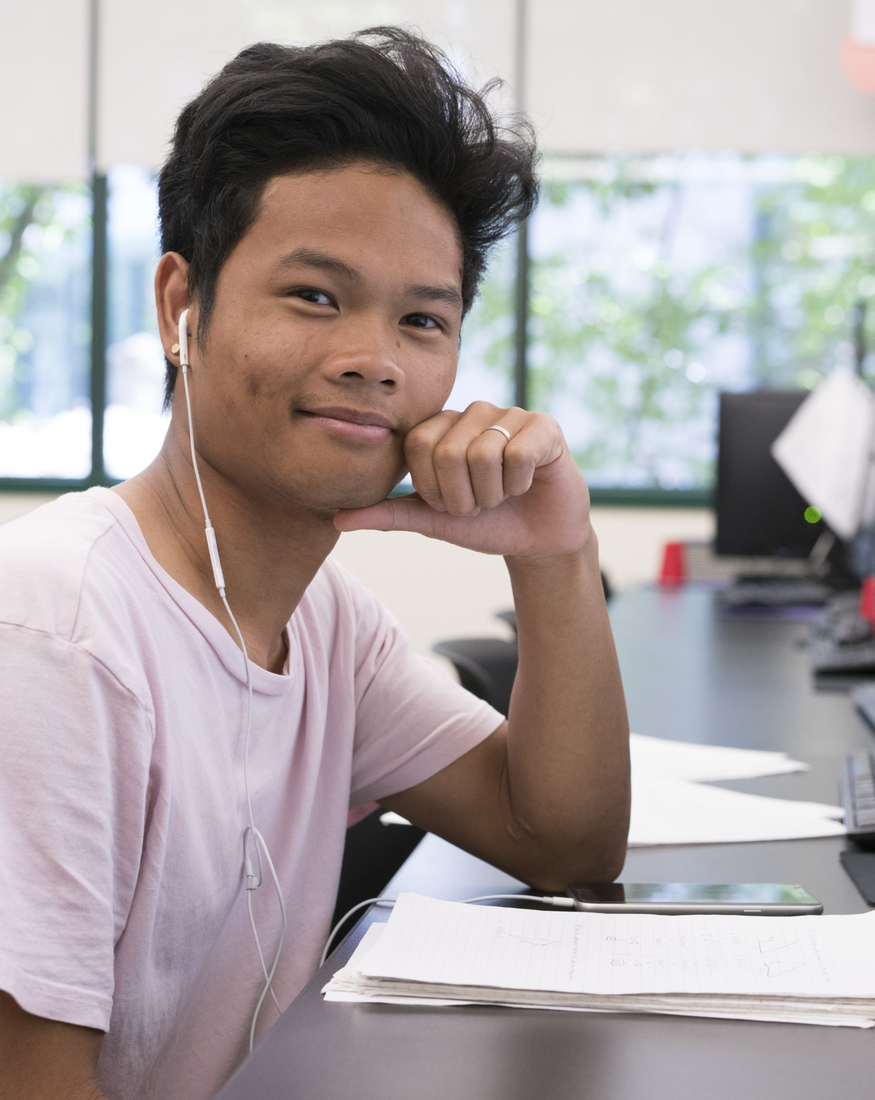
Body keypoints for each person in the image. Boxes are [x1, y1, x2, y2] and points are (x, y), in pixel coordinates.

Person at [0, 28, 630, 1100]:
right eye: (315, 297)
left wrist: (557, 555)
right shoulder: (60, 627)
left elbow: (562, 842)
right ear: (178, 309)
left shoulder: (325, 621)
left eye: (421, 318)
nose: (372, 359)